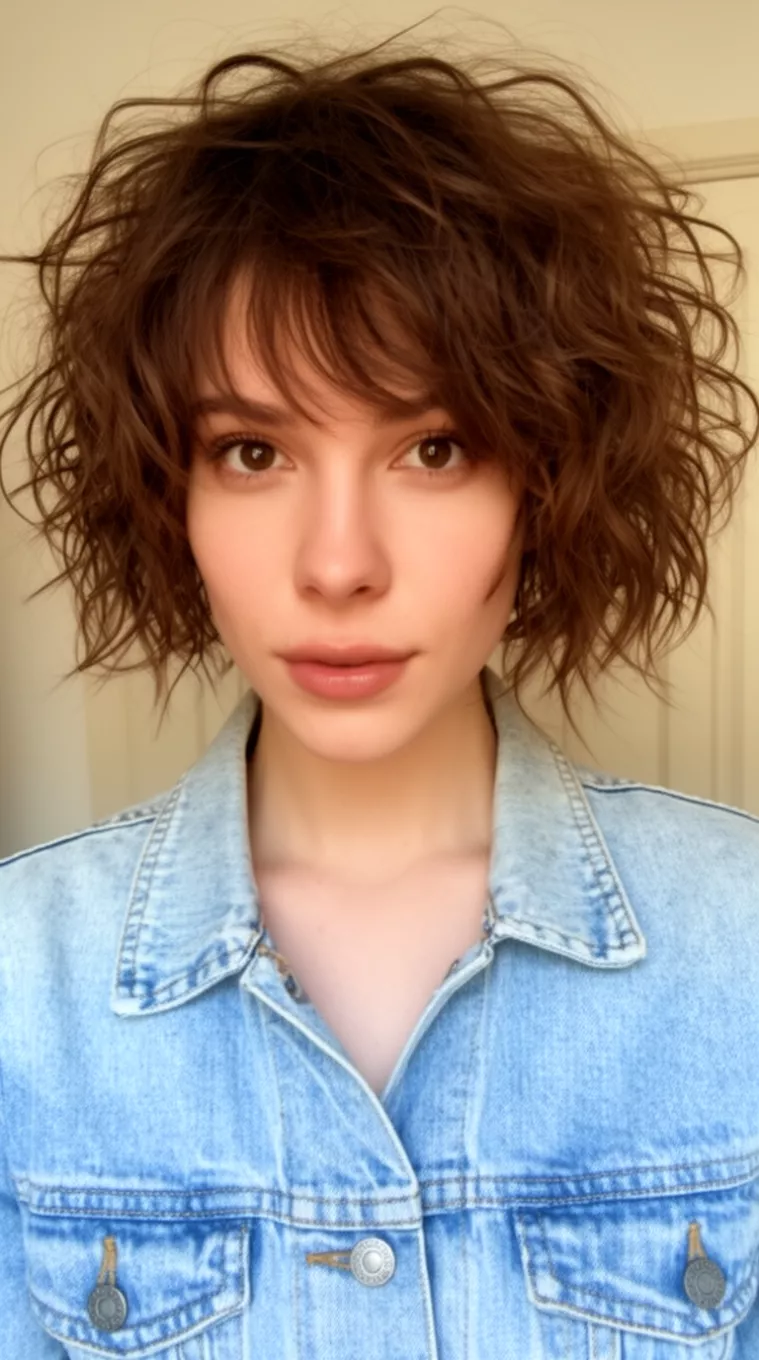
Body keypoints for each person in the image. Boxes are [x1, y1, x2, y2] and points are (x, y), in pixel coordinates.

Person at [1, 19, 759, 1358]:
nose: (336, 564)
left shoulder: (739, 946)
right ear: (164, 495)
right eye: (250, 450)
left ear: (547, 482)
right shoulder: (22, 983)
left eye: (433, 445)